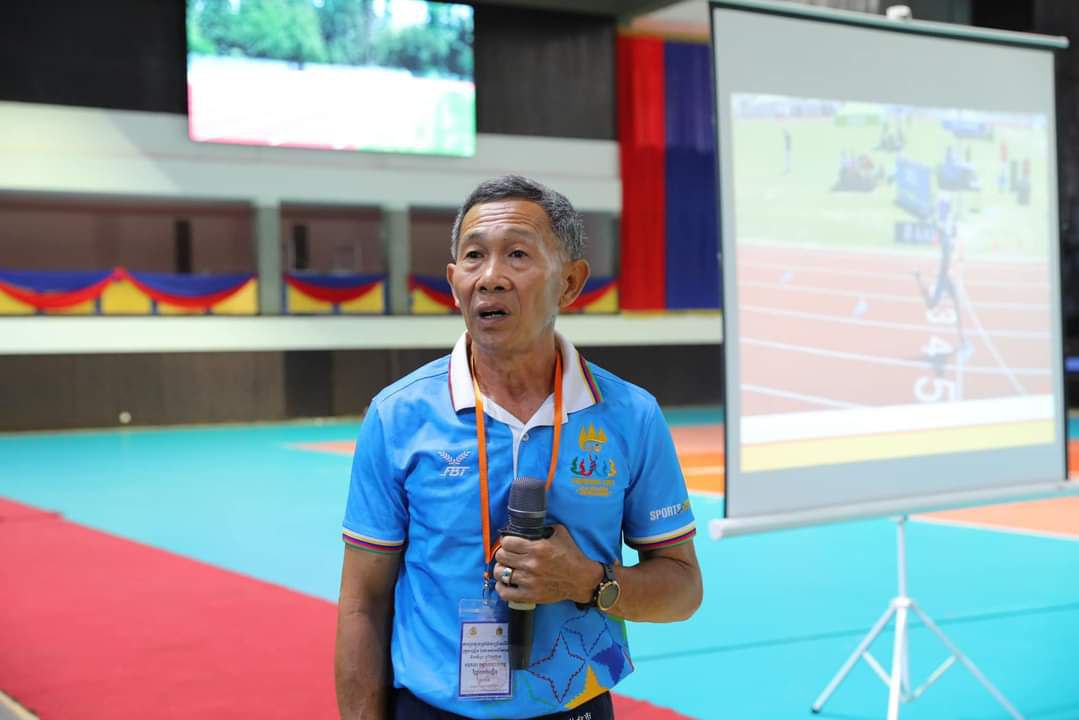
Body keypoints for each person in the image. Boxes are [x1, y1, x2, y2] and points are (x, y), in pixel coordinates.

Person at [334, 175, 703, 720]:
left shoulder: (630, 415)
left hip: (576, 708)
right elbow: (362, 603)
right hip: (430, 709)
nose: (491, 277)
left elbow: (683, 588)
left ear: (570, 283)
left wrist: (589, 581)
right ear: (454, 281)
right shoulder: (397, 416)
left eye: (517, 255)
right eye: (474, 256)